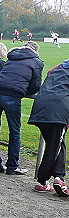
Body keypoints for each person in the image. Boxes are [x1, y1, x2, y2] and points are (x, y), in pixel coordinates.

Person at [0, 41, 44, 174]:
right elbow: (35, 86)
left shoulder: (11, 57)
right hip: (12, 95)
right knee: (14, 131)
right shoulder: (37, 62)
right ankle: (12, 166)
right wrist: (23, 91)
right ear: (36, 51)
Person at [28, 59, 69, 196]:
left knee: (56, 143)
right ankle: (43, 180)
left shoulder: (58, 67)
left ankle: (59, 177)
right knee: (54, 146)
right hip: (57, 109)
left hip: (42, 105)